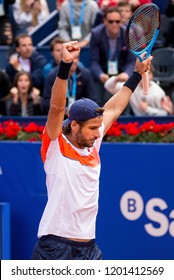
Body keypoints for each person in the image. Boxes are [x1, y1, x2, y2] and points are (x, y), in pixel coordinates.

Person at [32, 40, 152, 260]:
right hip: (54, 247)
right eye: (93, 128)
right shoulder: (56, 145)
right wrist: (65, 66)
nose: (99, 134)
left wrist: (135, 75)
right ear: (75, 124)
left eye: (99, 128)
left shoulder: (92, 142)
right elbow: (57, 108)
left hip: (89, 248)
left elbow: (114, 108)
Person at [89, 6, 136, 107]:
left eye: (117, 21)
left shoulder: (128, 34)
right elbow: (94, 61)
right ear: (104, 21)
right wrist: (100, 74)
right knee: (98, 102)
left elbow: (131, 61)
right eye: (111, 21)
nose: (114, 24)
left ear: (121, 21)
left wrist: (126, 74)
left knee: (125, 100)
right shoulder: (96, 34)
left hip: (121, 73)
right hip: (103, 73)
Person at [104, 65, 172, 116]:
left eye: (149, 73)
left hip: (157, 126)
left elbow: (165, 114)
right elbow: (108, 87)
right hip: (137, 124)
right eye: (143, 73)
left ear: (152, 76)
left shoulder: (159, 92)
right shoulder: (131, 86)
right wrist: (116, 79)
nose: (145, 76)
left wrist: (147, 109)